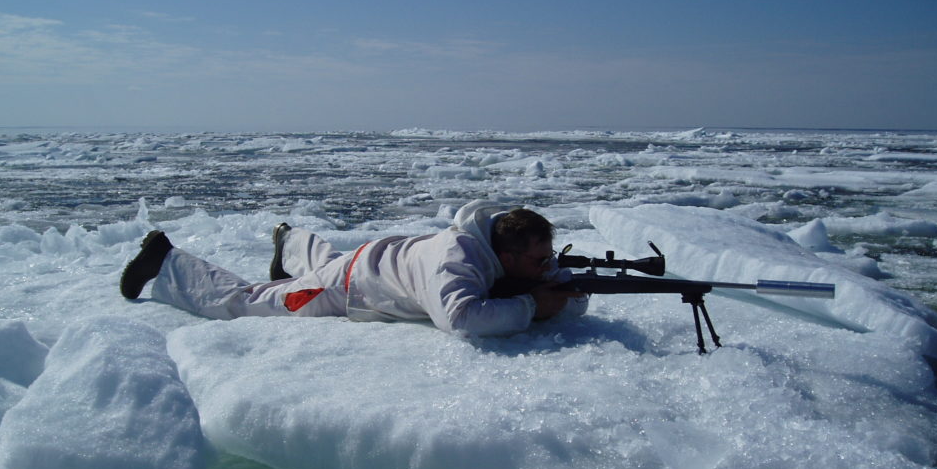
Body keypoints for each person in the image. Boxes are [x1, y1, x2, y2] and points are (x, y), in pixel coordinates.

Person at [119, 199, 587, 337]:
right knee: (256, 302)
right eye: (538, 259)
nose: (546, 264)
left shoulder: (497, 243)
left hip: (375, 261)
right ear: (506, 257)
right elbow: (461, 318)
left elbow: (549, 280)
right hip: (348, 287)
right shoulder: (455, 263)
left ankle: (290, 243)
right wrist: (530, 305)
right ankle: (166, 262)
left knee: (326, 265)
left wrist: (556, 281)